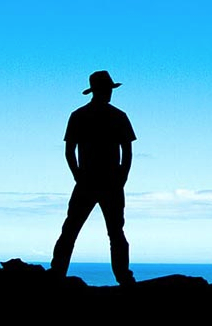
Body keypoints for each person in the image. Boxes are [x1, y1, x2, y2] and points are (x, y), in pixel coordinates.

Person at [51, 70, 137, 285]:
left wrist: (78, 175)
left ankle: (56, 273)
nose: (110, 93)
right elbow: (127, 151)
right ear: (103, 90)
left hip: (91, 181)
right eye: (108, 89)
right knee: (114, 232)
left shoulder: (80, 115)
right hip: (106, 182)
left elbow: (69, 151)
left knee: (72, 229)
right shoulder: (117, 116)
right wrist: (122, 177)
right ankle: (123, 277)